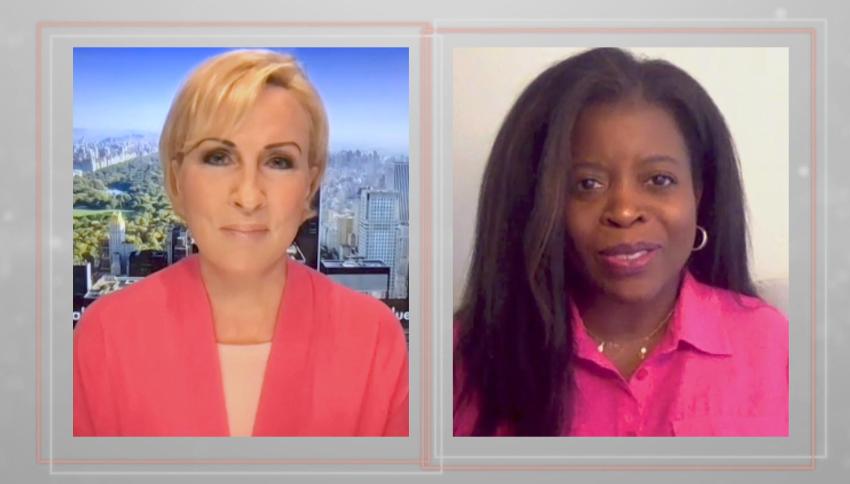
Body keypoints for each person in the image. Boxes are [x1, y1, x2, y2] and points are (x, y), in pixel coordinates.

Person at [453, 47, 788, 437]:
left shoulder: (770, 342)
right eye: (587, 184)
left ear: (699, 194)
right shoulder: (462, 360)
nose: (625, 211)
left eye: (659, 180)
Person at [73, 50, 408, 437]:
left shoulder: (373, 340)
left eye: (278, 162)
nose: (248, 197)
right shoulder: (106, 336)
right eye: (218, 157)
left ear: (309, 187)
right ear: (177, 180)